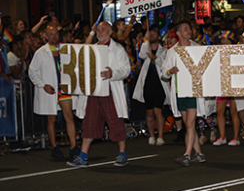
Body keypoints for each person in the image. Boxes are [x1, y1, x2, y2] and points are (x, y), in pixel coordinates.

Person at [67, 22, 131, 167]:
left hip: (110, 93)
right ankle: (83, 156)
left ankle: (122, 153)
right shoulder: (92, 49)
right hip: (94, 93)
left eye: (103, 30)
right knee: (89, 124)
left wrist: (112, 73)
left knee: (116, 123)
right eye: (98, 30)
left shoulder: (118, 49)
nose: (100, 32)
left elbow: (126, 70)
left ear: (110, 32)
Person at [28, 24, 80, 160]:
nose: (54, 36)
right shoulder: (41, 52)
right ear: (45, 36)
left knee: (69, 117)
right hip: (50, 89)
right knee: (51, 119)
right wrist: (43, 85)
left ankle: (73, 147)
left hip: (63, 88)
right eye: (51, 34)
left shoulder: (65, 49)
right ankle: (54, 147)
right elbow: (31, 72)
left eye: (56, 33)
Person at [162, 21, 208, 166]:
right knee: (189, 125)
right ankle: (199, 154)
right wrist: (171, 71)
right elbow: (164, 73)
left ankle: (187, 154)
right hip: (179, 91)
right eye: (186, 29)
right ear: (178, 33)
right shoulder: (172, 52)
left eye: (190, 28)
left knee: (189, 123)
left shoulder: (197, 49)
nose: (189, 31)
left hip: (193, 91)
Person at [132, 25, 169, 146]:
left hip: (159, 85)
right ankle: (151, 135)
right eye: (150, 33)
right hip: (147, 84)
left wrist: (155, 58)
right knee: (149, 112)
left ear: (158, 37)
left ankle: (161, 136)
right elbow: (142, 55)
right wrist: (145, 40)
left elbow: (165, 65)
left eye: (154, 33)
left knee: (158, 111)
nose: (152, 35)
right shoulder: (145, 48)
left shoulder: (164, 51)